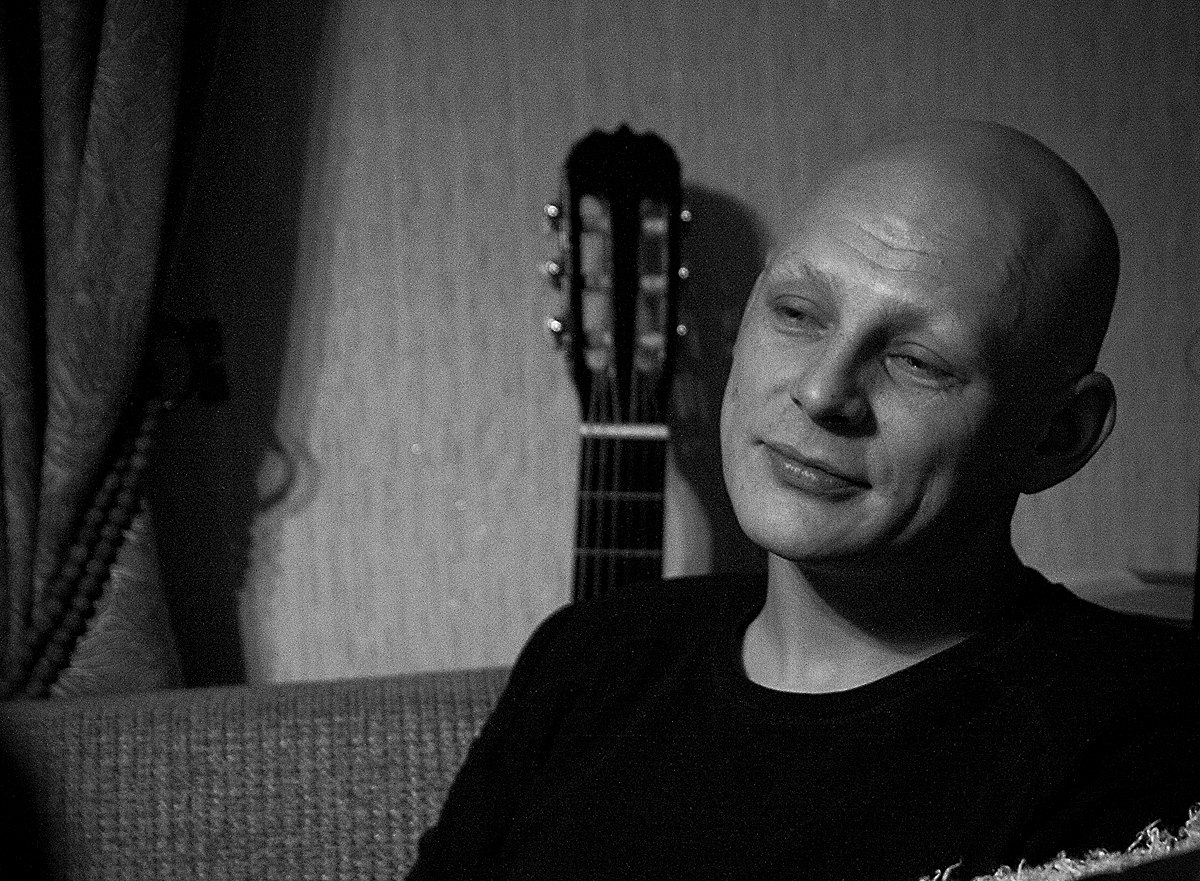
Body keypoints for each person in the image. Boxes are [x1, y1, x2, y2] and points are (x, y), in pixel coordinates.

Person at [407, 121, 1200, 880]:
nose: (821, 391)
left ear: (1058, 435)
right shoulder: (586, 654)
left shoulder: (1148, 730)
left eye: (919, 361)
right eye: (795, 313)